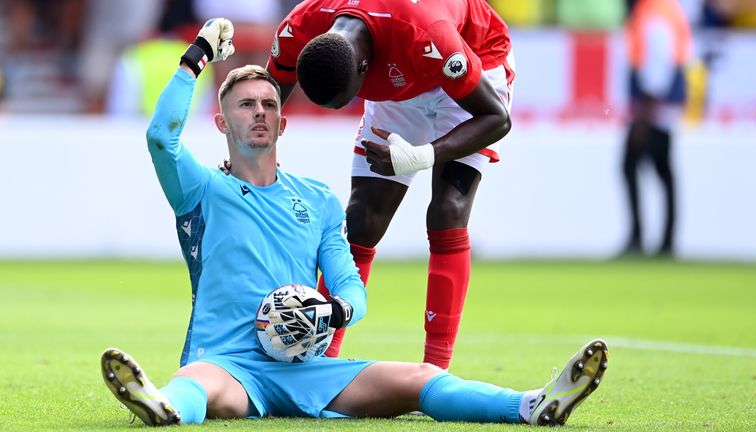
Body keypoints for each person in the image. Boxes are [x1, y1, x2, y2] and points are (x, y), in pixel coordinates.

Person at [101, 18, 609, 427]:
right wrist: (196, 60)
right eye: (244, 105)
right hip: (228, 362)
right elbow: (160, 138)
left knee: (420, 378)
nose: (258, 112)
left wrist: (335, 311)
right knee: (200, 385)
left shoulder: (318, 199)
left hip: (307, 368)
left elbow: (350, 285)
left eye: (268, 104)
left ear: (283, 122)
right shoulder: (200, 188)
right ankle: (165, 406)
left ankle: (532, 404)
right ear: (222, 123)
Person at [261, 0, 516, 369]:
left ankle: (434, 371)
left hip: (472, 64)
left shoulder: (429, 36)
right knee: (362, 219)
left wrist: (424, 155)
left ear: (364, 67)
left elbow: (496, 119)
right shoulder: (298, 27)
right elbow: (264, 103)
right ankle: (319, 362)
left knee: (447, 210)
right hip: (402, 82)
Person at [621, 0, 692, 257]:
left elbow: (657, 65)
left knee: (632, 166)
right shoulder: (666, 8)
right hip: (663, 107)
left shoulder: (652, 12)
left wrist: (644, 116)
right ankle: (666, 242)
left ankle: (640, 238)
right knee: (664, 172)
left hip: (653, 108)